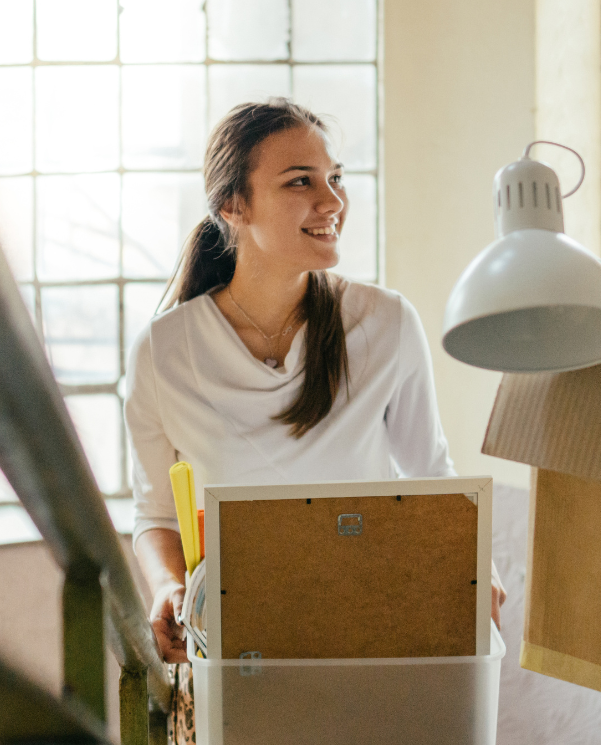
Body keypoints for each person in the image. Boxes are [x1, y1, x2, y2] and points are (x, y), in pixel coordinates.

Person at [124, 99, 503, 740]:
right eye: (300, 181)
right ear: (232, 207)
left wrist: (476, 569)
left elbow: (432, 477)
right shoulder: (165, 351)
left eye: (335, 178)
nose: (331, 201)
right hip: (237, 658)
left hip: (369, 647)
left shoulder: (385, 323)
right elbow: (157, 515)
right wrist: (166, 588)